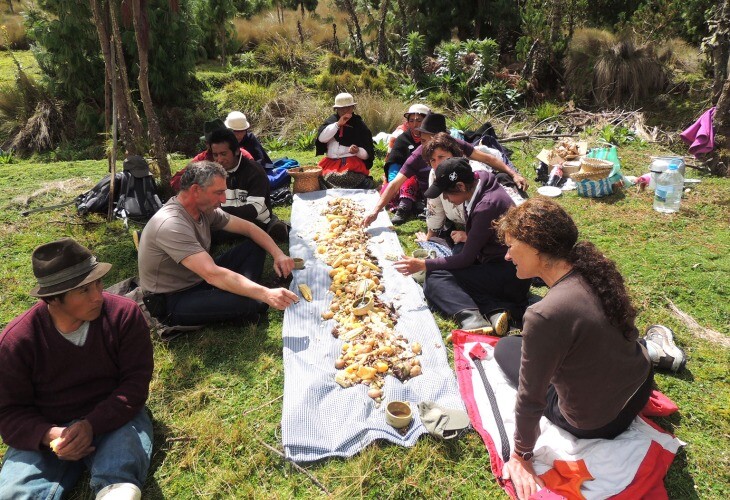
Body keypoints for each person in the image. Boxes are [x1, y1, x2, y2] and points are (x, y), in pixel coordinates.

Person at [491, 198, 655, 500]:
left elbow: (530, 398)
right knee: (529, 345)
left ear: (536, 247)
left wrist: (522, 456)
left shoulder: (544, 314)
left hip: (597, 423)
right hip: (641, 388)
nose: (507, 255)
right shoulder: (593, 270)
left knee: (505, 348)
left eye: (512, 246)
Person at [0, 238, 154, 500]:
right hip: (50, 429)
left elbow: (135, 384)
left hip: (113, 416)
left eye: (98, 283)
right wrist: (51, 435)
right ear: (53, 300)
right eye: (83, 290)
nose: (98, 296)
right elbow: (9, 413)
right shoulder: (17, 341)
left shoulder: (123, 314)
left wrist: (91, 425)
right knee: (14, 493)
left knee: (121, 486)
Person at [138, 161, 298, 327]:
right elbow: (212, 274)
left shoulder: (204, 210)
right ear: (195, 190)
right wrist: (264, 294)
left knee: (255, 246)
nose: (223, 199)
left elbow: (249, 228)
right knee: (255, 303)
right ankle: (243, 295)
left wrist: (278, 254)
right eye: (219, 193)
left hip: (199, 278)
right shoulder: (171, 225)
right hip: (173, 298)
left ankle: (239, 291)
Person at [393, 158, 531, 329]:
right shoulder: (480, 179)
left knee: (436, 278)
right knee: (456, 254)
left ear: (461, 186)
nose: (445, 198)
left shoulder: (486, 206)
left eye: (447, 193)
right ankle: (495, 311)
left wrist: (423, 264)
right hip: (498, 263)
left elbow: (466, 259)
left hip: (510, 274)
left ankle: (471, 317)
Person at [363, 113, 528, 227]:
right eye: (423, 140)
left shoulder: (454, 144)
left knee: (501, 181)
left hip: (463, 191)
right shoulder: (419, 154)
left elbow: (486, 158)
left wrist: (513, 173)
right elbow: (395, 183)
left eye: (428, 139)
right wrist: (375, 211)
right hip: (435, 193)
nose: (426, 144)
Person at [209, 128, 288, 243]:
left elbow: (252, 211)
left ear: (236, 151)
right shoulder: (214, 172)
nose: (219, 159)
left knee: (211, 234)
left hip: (255, 220)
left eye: (223, 154)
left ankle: (271, 226)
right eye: (215, 155)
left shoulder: (254, 171)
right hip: (227, 218)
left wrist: (218, 213)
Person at [381, 103, 431, 224]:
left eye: (419, 120)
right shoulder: (403, 139)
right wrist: (394, 182)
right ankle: (405, 206)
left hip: (429, 180)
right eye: (411, 120)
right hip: (405, 181)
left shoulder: (434, 138)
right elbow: (395, 163)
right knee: (392, 187)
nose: (415, 124)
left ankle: (412, 205)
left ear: (426, 121)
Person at [315, 92, 375, 189]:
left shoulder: (359, 124)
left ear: (353, 108)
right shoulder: (332, 121)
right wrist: (338, 124)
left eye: (348, 107)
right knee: (319, 177)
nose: (345, 110)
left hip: (351, 164)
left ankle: (358, 183)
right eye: (341, 108)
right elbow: (322, 139)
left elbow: (367, 152)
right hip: (332, 163)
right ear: (336, 109)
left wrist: (358, 151)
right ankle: (355, 186)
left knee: (341, 177)